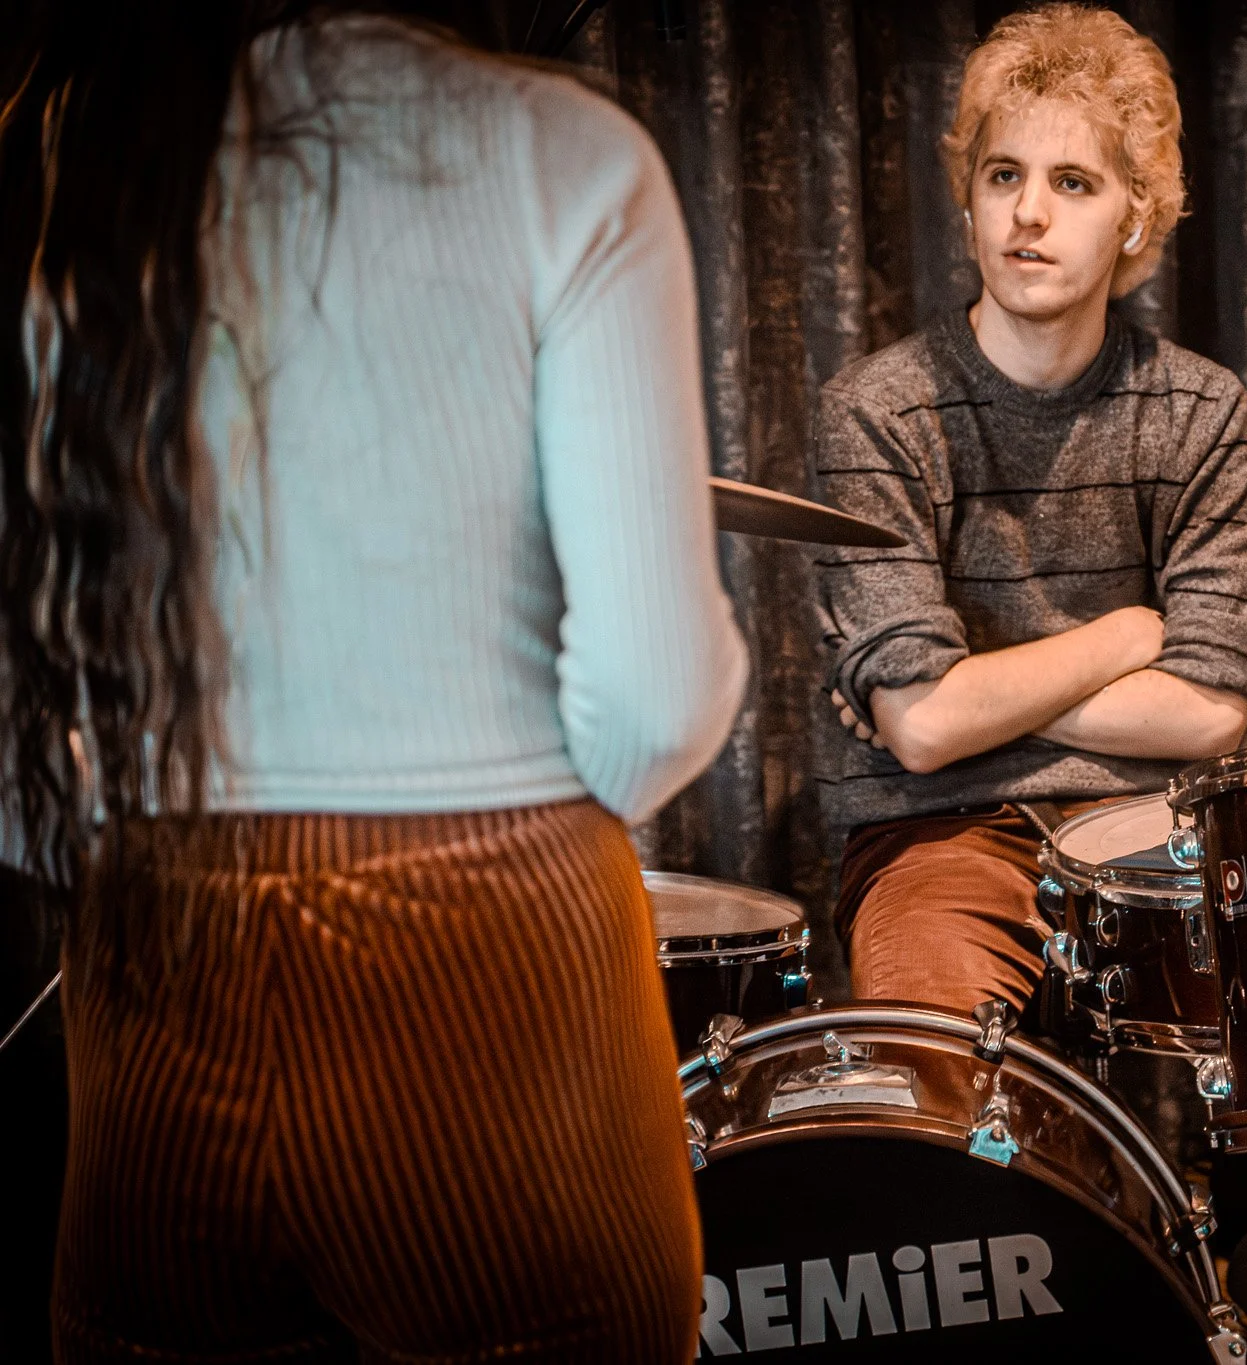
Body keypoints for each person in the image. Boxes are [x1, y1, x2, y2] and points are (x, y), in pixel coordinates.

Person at [0, 4, 747, 1360]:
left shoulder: (66, 160)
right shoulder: (561, 154)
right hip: (500, 971)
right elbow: (652, 704)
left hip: (153, 970)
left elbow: (21, 773)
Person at [813, 3, 1247, 1016]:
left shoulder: (1199, 409)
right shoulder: (876, 410)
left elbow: (1211, 711)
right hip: (940, 830)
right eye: (1002, 176)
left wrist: (961, 699)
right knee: (932, 1071)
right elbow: (923, 740)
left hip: (1153, 826)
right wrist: (1128, 636)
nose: (1028, 213)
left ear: (1134, 217)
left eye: (1072, 182)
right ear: (969, 200)